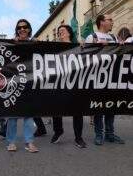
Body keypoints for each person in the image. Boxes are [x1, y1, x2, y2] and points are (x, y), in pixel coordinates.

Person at [85, 14, 125, 145]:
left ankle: (110, 134)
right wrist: (97, 47)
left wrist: (122, 46)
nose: (112, 22)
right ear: (102, 22)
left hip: (112, 77)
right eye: (110, 20)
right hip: (98, 78)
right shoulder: (92, 37)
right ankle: (99, 134)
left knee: (110, 106)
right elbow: (84, 56)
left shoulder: (114, 37)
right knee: (99, 107)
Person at [50, 25, 86, 148]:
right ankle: (58, 131)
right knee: (56, 108)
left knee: (77, 110)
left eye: (62, 31)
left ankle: (78, 137)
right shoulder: (54, 48)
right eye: (58, 32)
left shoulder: (78, 46)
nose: (60, 33)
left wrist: (84, 46)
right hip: (59, 82)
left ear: (69, 33)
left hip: (75, 82)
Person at [6, 19, 38, 153]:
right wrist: (12, 44)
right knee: (12, 116)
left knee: (28, 115)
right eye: (19, 28)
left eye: (25, 27)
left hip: (30, 84)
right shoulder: (12, 44)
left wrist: (37, 45)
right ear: (17, 30)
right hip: (15, 82)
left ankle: (29, 142)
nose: (22, 29)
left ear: (29, 29)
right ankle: (11, 142)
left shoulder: (35, 43)